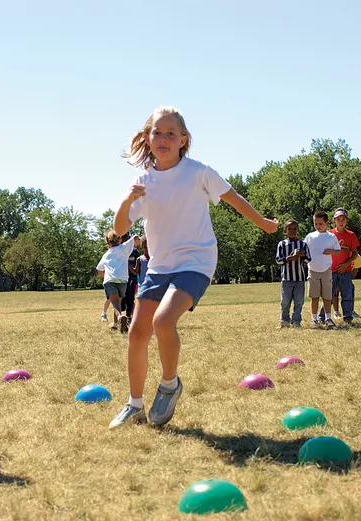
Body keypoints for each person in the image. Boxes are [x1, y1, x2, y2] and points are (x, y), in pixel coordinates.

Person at [109, 106, 278, 429]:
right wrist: (127, 201)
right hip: (159, 265)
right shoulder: (143, 182)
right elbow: (119, 229)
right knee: (138, 332)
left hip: (196, 260)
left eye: (171, 133)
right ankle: (134, 405)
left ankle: (169, 385)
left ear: (183, 140)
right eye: (158, 133)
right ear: (148, 138)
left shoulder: (199, 173)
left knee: (163, 321)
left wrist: (264, 223)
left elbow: (235, 199)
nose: (164, 138)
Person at [304, 211, 342, 329]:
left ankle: (328, 318)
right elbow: (304, 250)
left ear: (326, 223)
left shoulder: (331, 236)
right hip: (313, 270)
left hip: (326, 270)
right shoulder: (310, 236)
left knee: (327, 296)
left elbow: (338, 251)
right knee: (314, 296)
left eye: (320, 223)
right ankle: (314, 319)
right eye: (315, 223)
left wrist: (331, 251)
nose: (318, 226)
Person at [96, 232, 140, 333]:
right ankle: (116, 325)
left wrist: (105, 276)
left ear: (107, 243)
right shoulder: (124, 248)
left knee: (115, 303)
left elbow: (99, 270)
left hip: (110, 280)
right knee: (118, 302)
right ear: (120, 239)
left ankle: (120, 317)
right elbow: (135, 237)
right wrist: (137, 240)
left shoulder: (106, 254)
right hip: (123, 280)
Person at [275, 219, 310, 328]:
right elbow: (278, 260)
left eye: (295, 229)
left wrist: (302, 255)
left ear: (297, 230)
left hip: (299, 278)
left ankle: (296, 321)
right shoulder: (282, 244)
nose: (292, 231)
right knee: (285, 301)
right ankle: (284, 320)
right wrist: (288, 258)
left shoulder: (302, 244)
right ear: (285, 230)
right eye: (289, 229)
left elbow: (309, 259)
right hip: (286, 278)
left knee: (299, 301)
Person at [330, 208, 360, 324]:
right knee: (329, 295)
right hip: (331, 270)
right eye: (338, 219)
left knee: (347, 295)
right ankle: (324, 317)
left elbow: (355, 253)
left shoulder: (351, 235)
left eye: (343, 219)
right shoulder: (329, 234)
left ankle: (348, 317)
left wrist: (346, 264)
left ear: (347, 221)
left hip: (345, 271)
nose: (341, 222)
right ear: (334, 221)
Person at [122, 240, 141, 324]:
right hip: (121, 277)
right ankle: (121, 318)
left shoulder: (135, 252)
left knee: (130, 298)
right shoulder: (120, 250)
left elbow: (138, 266)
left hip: (132, 278)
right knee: (122, 298)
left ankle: (129, 317)